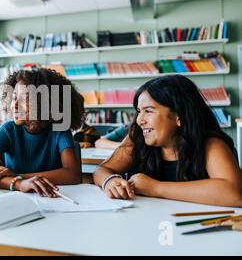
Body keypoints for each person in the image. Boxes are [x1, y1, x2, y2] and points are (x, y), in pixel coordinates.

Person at [92, 75, 242, 207]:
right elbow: (102, 170)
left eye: (149, 111)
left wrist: (155, 188)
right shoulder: (137, 137)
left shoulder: (210, 144)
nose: (140, 120)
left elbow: (234, 192)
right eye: (139, 111)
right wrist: (110, 181)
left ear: (179, 116)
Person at [0, 68, 84, 197]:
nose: (14, 105)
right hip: (13, 196)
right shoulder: (8, 129)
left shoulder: (59, 129)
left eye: (23, 99)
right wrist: (19, 183)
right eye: (14, 98)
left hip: (51, 196)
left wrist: (17, 176)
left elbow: (73, 174)